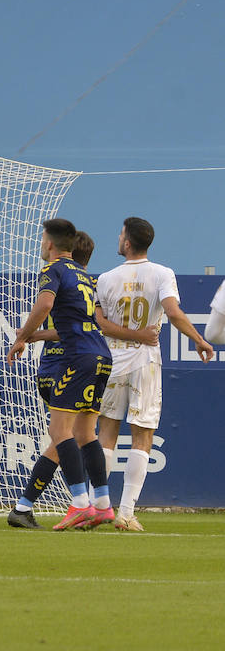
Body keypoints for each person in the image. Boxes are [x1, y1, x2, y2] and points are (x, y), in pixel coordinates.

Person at [94, 217, 213, 532]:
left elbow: (101, 323)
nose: (118, 239)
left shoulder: (106, 278)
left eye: (121, 234)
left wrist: (127, 335)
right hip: (145, 361)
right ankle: (126, 513)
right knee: (142, 435)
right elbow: (173, 312)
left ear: (128, 242)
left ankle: (97, 507)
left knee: (106, 432)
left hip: (113, 359)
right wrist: (199, 340)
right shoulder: (163, 273)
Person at [6, 219, 113, 531]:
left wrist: (23, 336)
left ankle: (80, 504)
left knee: (59, 431)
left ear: (50, 244)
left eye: (42, 239)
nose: (42, 244)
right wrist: (37, 336)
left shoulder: (52, 270)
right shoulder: (84, 275)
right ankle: (103, 505)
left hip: (75, 359)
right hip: (101, 356)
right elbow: (84, 321)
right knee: (85, 433)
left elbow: (45, 303)